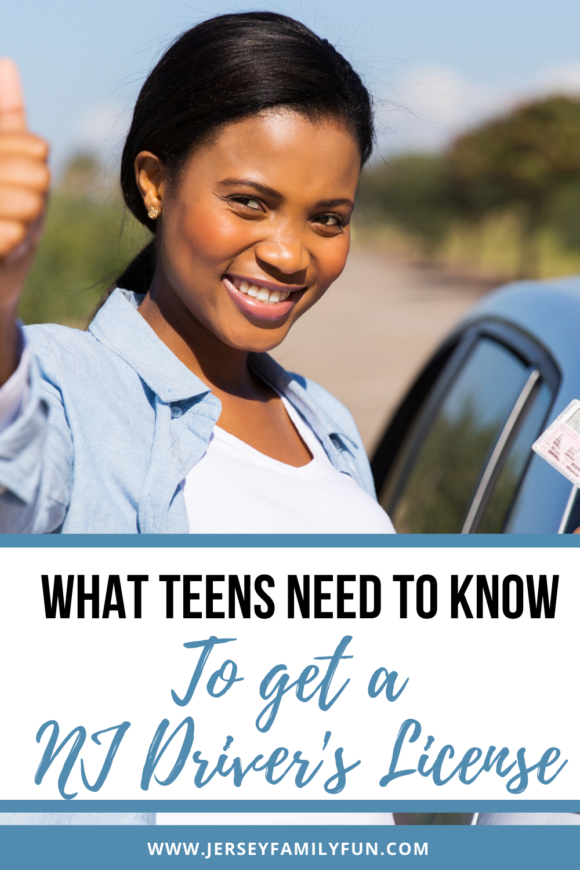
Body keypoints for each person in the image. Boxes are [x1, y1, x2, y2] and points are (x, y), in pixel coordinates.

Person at [0, 11, 394, 827]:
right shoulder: (70, 391)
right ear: (154, 181)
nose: (291, 254)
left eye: (328, 217)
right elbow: (16, 478)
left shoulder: (325, 426)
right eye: (249, 203)